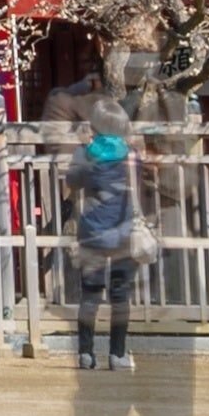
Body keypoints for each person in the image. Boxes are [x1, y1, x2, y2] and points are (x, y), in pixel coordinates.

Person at [67, 113, 148, 372]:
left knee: (90, 296)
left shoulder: (85, 154)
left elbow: (72, 182)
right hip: (123, 232)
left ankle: (86, 354)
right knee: (120, 297)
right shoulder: (131, 154)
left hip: (92, 232)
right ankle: (117, 354)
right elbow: (141, 179)